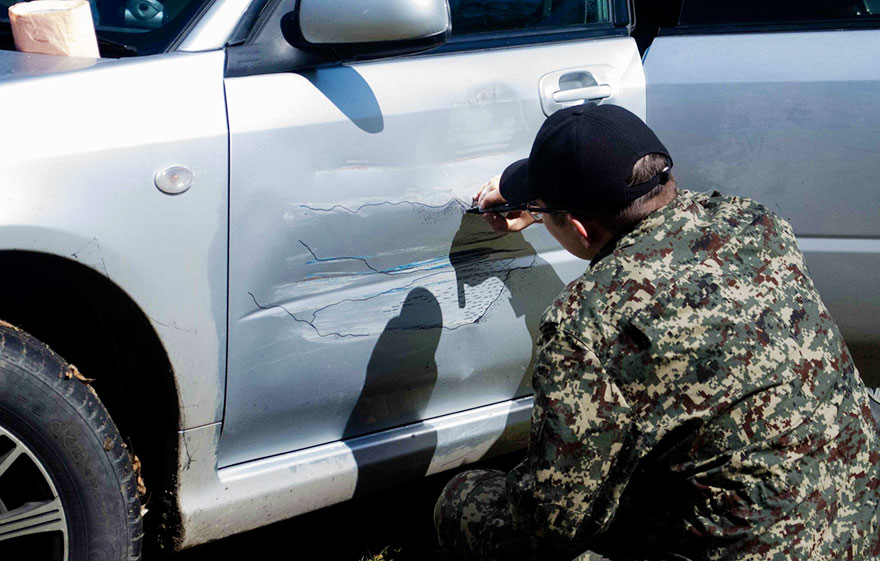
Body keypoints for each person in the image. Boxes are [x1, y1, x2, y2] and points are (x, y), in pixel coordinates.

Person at [433, 103, 880, 561]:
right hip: (857, 530)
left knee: (465, 501)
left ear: (581, 228)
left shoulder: (586, 321)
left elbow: (554, 521)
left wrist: (553, 211)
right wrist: (539, 204)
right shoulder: (756, 223)